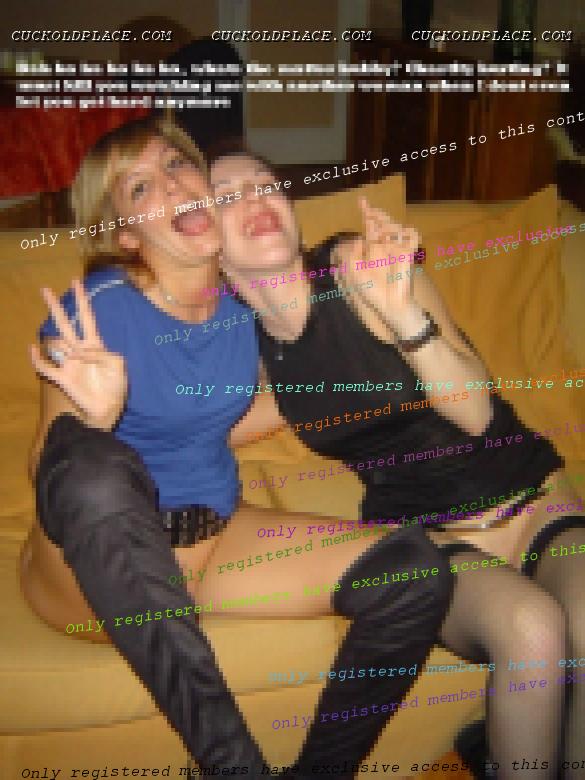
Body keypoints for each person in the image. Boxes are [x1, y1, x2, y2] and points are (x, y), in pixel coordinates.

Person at [22, 116, 564, 779]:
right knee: (93, 470)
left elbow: (264, 403)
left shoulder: (242, 317)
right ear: (126, 233)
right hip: (97, 572)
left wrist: (391, 327)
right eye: (140, 187)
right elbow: (52, 472)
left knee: (411, 572)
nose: (171, 185)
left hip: (214, 540)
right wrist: (92, 421)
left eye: (176, 165)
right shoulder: (94, 310)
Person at [210, 150, 585, 777]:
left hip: (533, 499)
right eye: (227, 196)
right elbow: (196, 433)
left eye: (266, 184)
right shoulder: (252, 355)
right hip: (431, 537)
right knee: (533, 631)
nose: (255, 199)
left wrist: (404, 314)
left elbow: (478, 415)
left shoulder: (360, 270)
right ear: (210, 249)